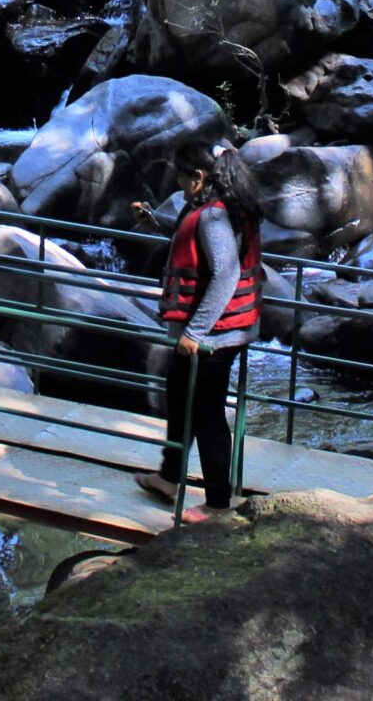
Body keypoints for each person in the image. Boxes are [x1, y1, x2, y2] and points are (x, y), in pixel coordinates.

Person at [131, 136, 265, 520]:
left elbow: (225, 273)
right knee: (178, 394)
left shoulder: (213, 215)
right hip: (223, 330)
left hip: (214, 337)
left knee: (207, 414)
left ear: (199, 176)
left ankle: (218, 503)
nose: (176, 182)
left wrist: (195, 333)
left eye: (180, 175)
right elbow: (204, 248)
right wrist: (156, 223)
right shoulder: (222, 206)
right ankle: (171, 477)